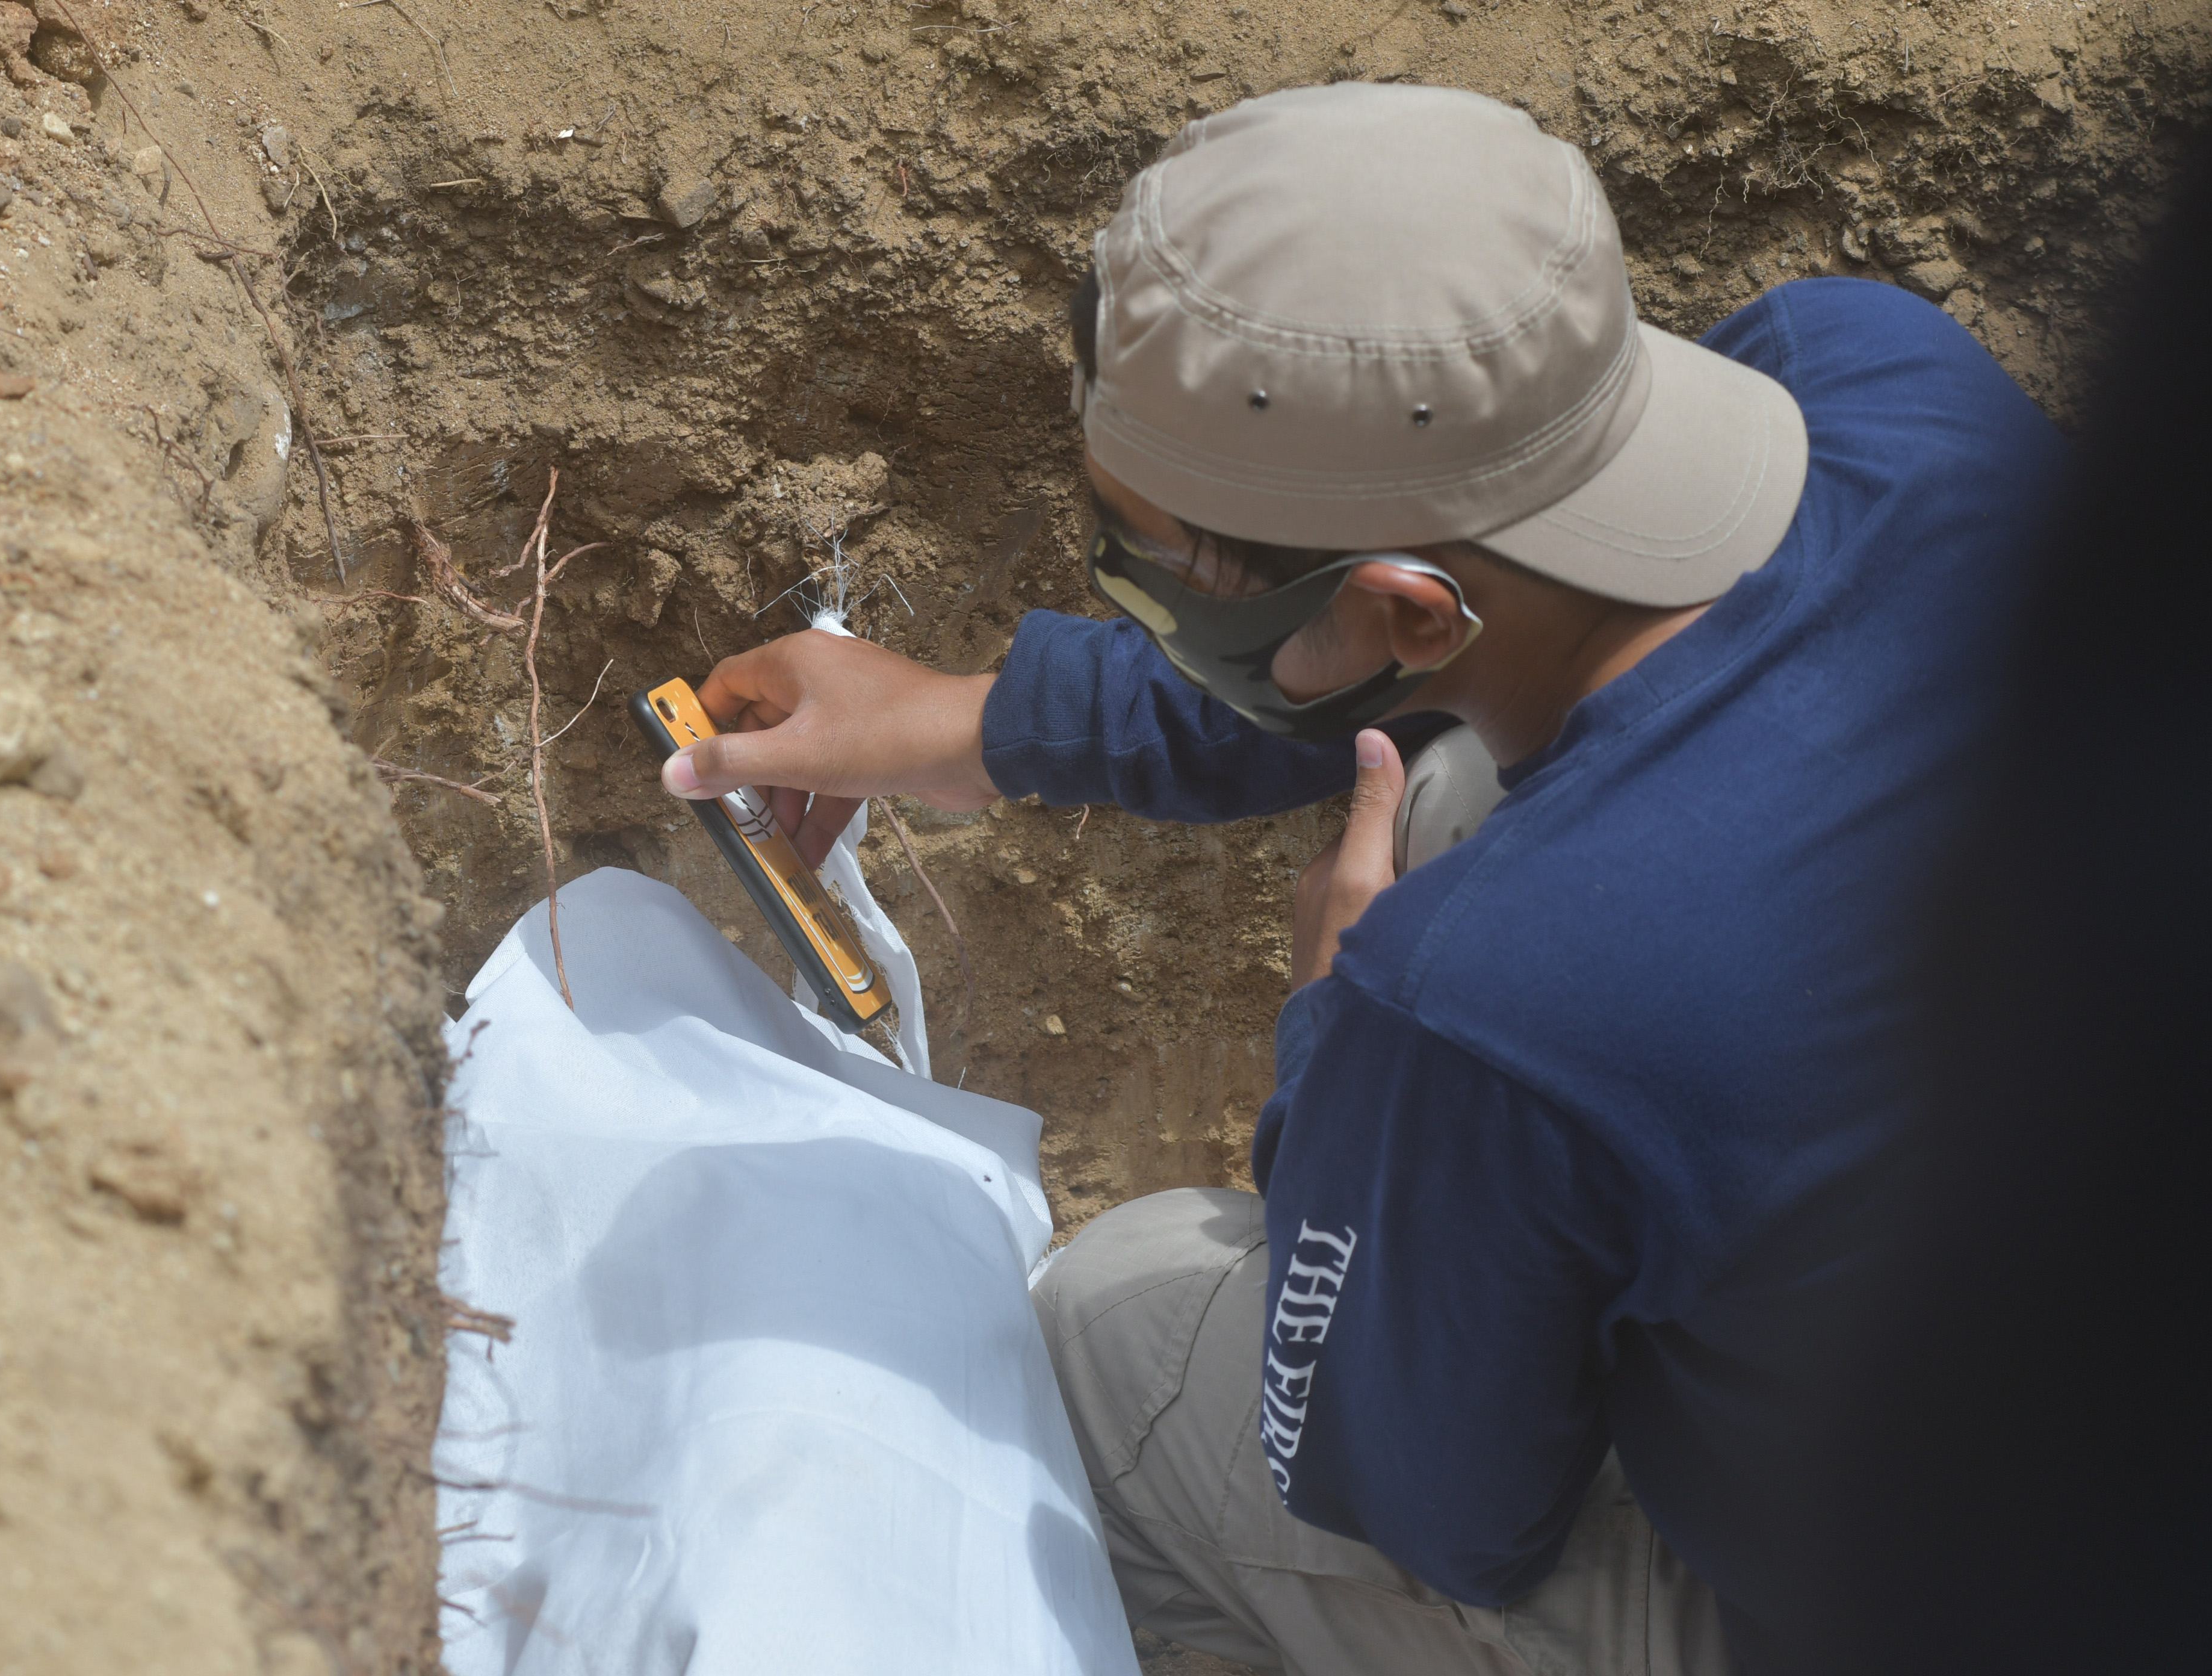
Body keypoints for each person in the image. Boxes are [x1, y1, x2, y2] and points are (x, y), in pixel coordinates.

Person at [656, 84, 2064, 1674]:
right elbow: (1434, 636)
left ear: (1406, 612)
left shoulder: (1490, 1001)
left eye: (1163, 572)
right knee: (1461, 788)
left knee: (1119, 1342)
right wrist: (988, 725)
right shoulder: (1864, 372)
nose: (1147, 603)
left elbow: (1438, 1516)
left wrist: (1335, 1065)